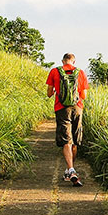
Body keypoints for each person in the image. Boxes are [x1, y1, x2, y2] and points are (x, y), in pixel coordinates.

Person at [46, 53, 89, 186]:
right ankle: (69, 170)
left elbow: (48, 93)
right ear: (74, 61)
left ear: (63, 61)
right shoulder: (80, 72)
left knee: (66, 139)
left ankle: (70, 170)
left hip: (61, 108)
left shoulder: (54, 71)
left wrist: (55, 91)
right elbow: (84, 95)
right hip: (77, 108)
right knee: (75, 140)